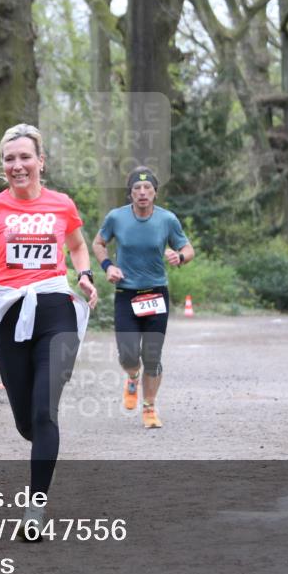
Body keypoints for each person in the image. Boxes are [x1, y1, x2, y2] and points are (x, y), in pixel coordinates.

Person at [0, 123, 98, 532]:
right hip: (10, 313)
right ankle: (44, 450)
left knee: (43, 412)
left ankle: (35, 509)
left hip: (57, 310)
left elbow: (77, 245)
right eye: (9, 159)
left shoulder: (61, 205)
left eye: (25, 157)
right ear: (3, 166)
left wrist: (84, 274)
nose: (18, 165)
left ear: (40, 161)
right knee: (25, 423)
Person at [92, 167, 194, 429]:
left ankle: (149, 407)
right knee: (127, 355)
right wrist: (108, 267)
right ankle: (132, 376)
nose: (142, 192)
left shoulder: (167, 220)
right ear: (130, 194)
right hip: (126, 294)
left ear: (155, 193)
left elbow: (187, 248)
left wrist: (179, 256)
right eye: (137, 188)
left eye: (148, 188)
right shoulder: (116, 218)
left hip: (156, 293)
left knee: (152, 355)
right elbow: (98, 243)